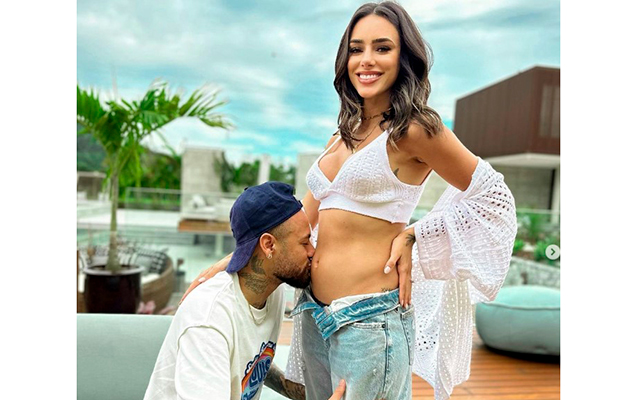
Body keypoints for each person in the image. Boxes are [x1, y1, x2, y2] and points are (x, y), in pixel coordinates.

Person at [186, 2, 517, 400]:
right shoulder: (342, 133)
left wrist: (415, 235)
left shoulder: (414, 130)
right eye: (356, 49)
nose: (366, 60)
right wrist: (233, 259)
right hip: (314, 313)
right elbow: (303, 216)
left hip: (369, 323)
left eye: (382, 48)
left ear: (404, 57)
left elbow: (493, 196)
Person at [144, 182, 346, 400]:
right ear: (268, 245)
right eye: (305, 242)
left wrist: (303, 395)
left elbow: (250, 364)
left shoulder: (271, 291)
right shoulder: (209, 320)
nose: (312, 251)